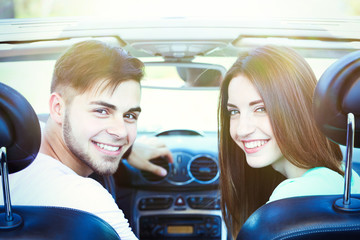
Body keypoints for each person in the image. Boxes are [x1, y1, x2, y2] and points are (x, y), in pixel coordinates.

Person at [4, 40, 171, 240]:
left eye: (129, 116)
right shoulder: (85, 200)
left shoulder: (14, 142)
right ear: (58, 108)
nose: (121, 132)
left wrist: (127, 150)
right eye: (101, 111)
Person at [217, 45, 360, 238]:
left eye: (261, 109)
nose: (242, 129)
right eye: (234, 111)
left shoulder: (291, 198)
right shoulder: (347, 176)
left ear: (296, 110)